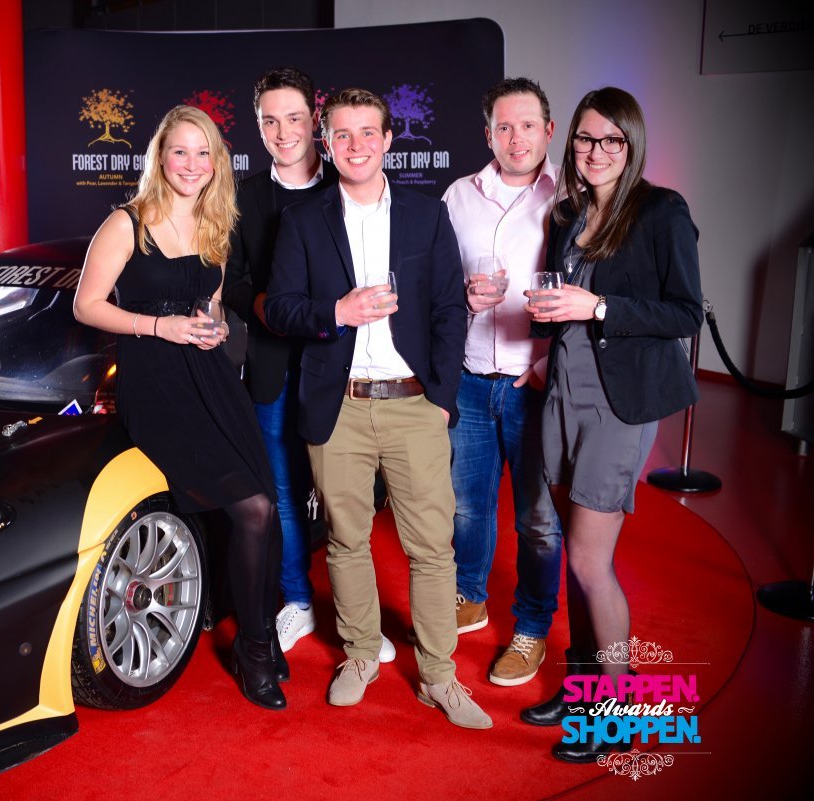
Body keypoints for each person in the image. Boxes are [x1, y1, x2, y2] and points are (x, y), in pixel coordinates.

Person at [265, 88, 490, 728]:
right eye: (342, 134)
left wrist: (440, 399)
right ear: (327, 143)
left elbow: (448, 310)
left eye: (368, 132)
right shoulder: (303, 220)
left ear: (389, 140)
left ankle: (439, 676)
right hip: (337, 406)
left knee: (432, 547)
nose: (356, 145)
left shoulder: (426, 214)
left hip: (413, 402)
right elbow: (279, 307)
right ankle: (361, 654)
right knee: (345, 539)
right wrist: (335, 312)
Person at [74, 105, 286, 711]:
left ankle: (261, 632)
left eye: (203, 153)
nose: (192, 164)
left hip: (210, 375)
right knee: (252, 508)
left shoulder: (216, 220)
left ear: (216, 161)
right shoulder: (127, 223)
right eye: (180, 152)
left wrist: (213, 326)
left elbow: (210, 302)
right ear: (160, 158)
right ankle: (253, 650)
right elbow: (87, 305)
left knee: (267, 505)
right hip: (155, 381)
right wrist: (159, 327)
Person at [518, 87, 703, 761]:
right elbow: (561, 303)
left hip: (619, 402)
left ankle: (614, 717)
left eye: (611, 141)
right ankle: (583, 692)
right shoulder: (568, 214)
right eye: (585, 139)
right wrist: (546, 321)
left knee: (590, 560)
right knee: (575, 552)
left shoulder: (661, 211)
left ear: (632, 145)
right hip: (564, 392)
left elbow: (685, 312)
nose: (595, 152)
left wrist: (597, 306)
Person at [223, 67, 398, 662]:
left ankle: (360, 619)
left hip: (345, 365)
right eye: (269, 121)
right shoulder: (243, 197)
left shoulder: (351, 181)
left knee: (348, 497)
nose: (283, 132)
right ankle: (297, 599)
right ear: (258, 127)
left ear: (315, 122)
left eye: (294, 118)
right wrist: (267, 310)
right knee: (282, 493)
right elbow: (234, 281)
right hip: (274, 366)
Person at [440, 77, 563, 687]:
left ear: (549, 130)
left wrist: (546, 364)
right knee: (467, 506)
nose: (517, 138)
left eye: (528, 125)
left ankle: (532, 626)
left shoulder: (571, 199)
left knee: (538, 520)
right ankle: (469, 595)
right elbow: (436, 286)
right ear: (488, 134)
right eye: (504, 127)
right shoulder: (458, 196)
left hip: (534, 383)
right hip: (469, 376)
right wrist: (463, 297)